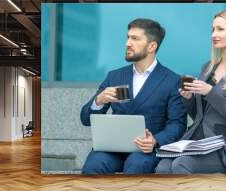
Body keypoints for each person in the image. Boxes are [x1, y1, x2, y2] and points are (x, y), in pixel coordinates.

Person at [155, 9, 226, 174]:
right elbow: (200, 116)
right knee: (163, 166)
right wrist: (188, 99)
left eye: (220, 29)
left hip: (224, 147)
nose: (213, 34)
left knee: (182, 164)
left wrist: (210, 92)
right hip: (198, 141)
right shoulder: (207, 68)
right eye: (213, 29)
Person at [80, 18, 187, 174]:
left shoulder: (172, 81)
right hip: (112, 148)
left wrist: (155, 141)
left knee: (137, 166)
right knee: (94, 165)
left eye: (135, 38)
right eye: (128, 37)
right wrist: (99, 101)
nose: (127, 43)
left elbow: (177, 124)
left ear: (152, 46)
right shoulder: (114, 77)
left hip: (147, 150)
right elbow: (85, 119)